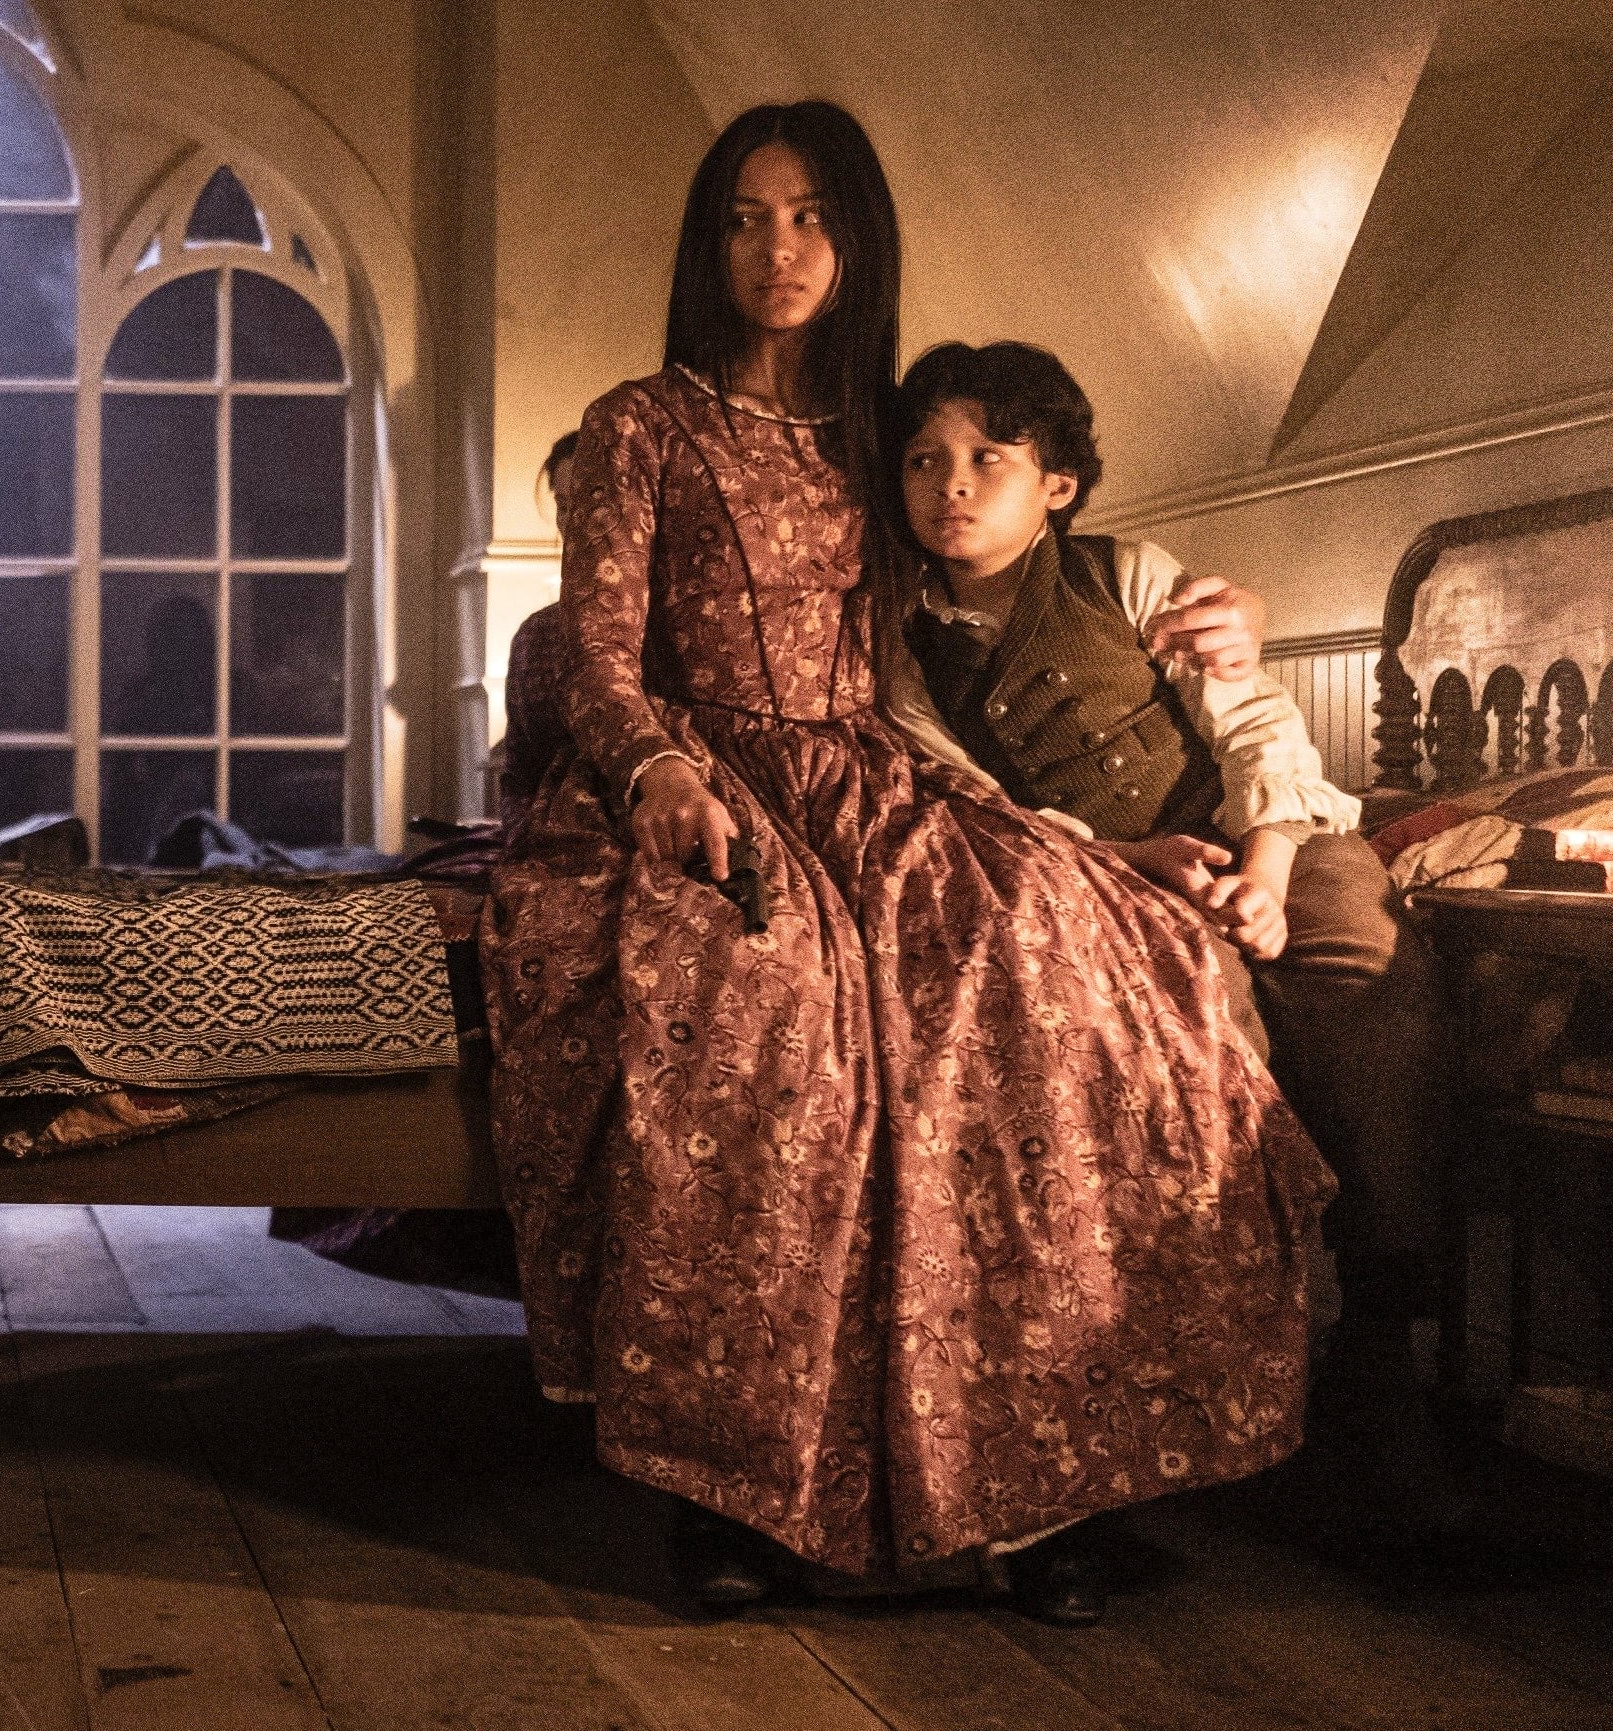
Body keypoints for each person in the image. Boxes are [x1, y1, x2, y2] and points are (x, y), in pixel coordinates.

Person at [481, 100, 1334, 1629]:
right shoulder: (639, 424)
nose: (778, 249)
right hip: (697, 778)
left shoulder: (886, 437)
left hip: (872, 775)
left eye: (810, 216)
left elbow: (1031, 544)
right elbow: (596, 660)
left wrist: (1228, 618)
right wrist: (657, 768)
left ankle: (1052, 1478)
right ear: (706, 240)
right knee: (756, 1003)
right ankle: (727, 1496)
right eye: (745, 217)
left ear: (856, 237)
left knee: (1054, 958)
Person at [879, 339, 1461, 1529]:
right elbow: (967, 803)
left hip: (1271, 834)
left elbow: (1254, 722)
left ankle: (1384, 1336)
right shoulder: (897, 640)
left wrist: (1268, 865)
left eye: (988, 459)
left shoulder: (1128, 577)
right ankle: (1215, 1372)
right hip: (1106, 877)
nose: (952, 485)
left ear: (1057, 485)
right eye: (925, 461)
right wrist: (1123, 860)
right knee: (1186, 1033)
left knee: (1366, 978)